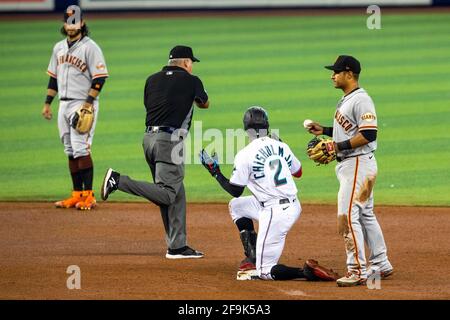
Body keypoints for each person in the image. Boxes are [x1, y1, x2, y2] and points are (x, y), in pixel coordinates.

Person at [199, 106, 338, 281]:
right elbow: (299, 172)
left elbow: (235, 190)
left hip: (276, 212)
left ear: (245, 128)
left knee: (265, 271)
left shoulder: (245, 154)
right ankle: (253, 255)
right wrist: (279, 148)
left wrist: (215, 172)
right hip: (292, 205)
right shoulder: (281, 145)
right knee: (238, 206)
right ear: (267, 125)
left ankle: (305, 272)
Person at [101, 46, 209, 259]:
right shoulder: (192, 80)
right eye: (192, 62)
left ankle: (177, 246)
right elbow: (204, 103)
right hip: (169, 142)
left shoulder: (151, 80)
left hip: (149, 140)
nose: (192, 66)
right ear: (186, 62)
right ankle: (118, 181)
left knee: (176, 192)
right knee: (168, 193)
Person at [306, 55, 393, 287]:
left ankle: (357, 270)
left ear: (349, 74)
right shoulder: (348, 98)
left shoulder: (361, 100)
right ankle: (380, 263)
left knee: (346, 215)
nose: (332, 75)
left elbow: (369, 134)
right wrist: (324, 130)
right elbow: (351, 130)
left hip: (357, 164)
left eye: (336, 71)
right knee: (365, 215)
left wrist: (337, 146)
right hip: (358, 164)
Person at [42, 5, 108, 210]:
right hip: (63, 104)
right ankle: (77, 194)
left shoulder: (90, 47)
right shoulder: (58, 48)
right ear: (64, 24)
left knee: (81, 148)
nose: (71, 26)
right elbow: (53, 79)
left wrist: (88, 105)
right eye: (68, 22)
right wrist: (47, 103)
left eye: (75, 22)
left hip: (82, 103)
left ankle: (89, 195)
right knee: (70, 150)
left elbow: (100, 78)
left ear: (82, 23)